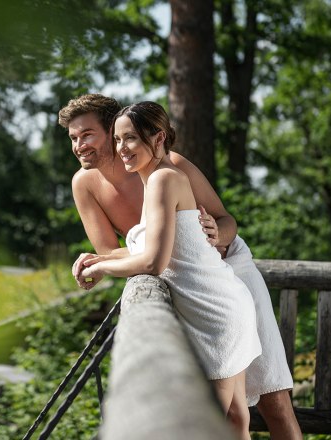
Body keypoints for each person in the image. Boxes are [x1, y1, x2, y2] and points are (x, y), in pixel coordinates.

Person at [59, 94, 302, 440]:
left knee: (274, 400)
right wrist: (92, 261)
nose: (79, 146)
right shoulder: (85, 184)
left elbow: (226, 220)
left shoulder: (169, 167)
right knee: (231, 414)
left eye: (87, 135)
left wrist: (218, 232)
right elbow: (118, 251)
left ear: (113, 128)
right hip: (186, 287)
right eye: (73, 138)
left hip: (228, 273)